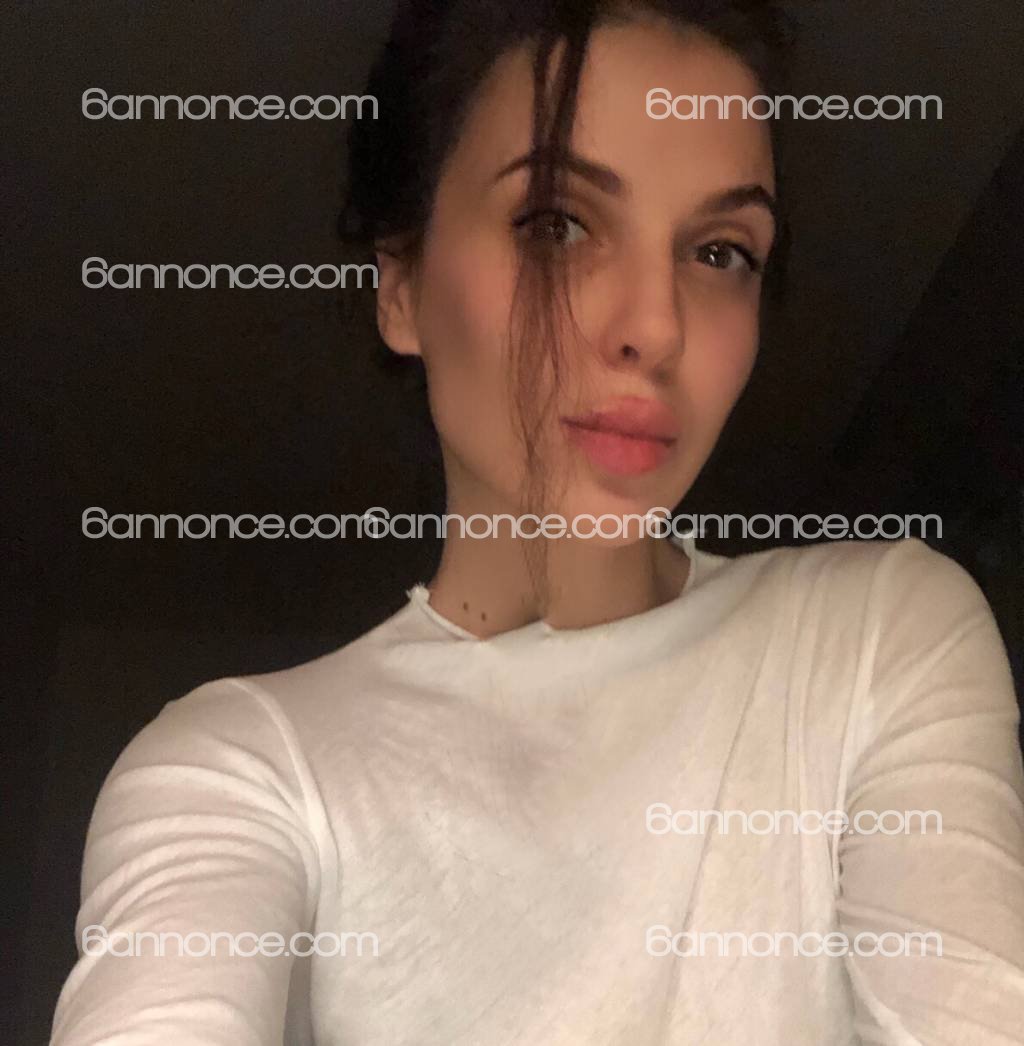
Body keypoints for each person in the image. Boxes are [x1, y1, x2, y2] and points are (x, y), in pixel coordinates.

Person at [50, 1, 1024, 1042]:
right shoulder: (245, 767)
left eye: (720, 251)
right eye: (556, 223)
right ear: (401, 287)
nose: (655, 325)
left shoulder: (873, 634)